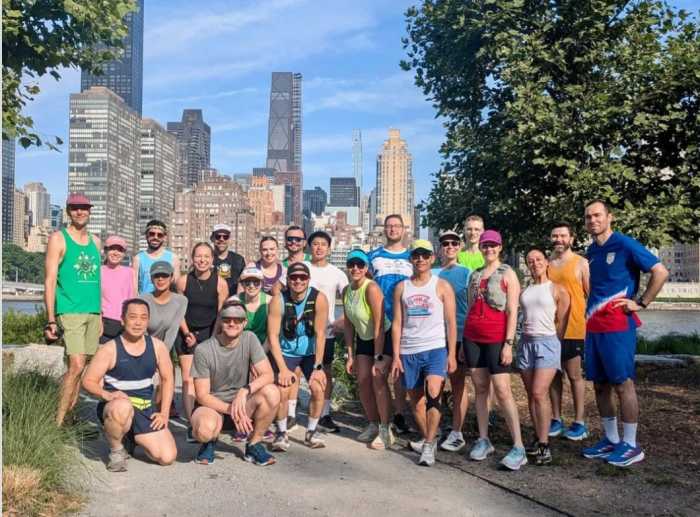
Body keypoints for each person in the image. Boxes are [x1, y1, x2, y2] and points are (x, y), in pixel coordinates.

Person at [581, 200, 668, 467]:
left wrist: (641, 302)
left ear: (610, 217)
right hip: (594, 325)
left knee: (622, 383)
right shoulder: (591, 250)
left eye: (597, 215)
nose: (593, 220)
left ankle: (631, 444)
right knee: (599, 385)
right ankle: (611, 439)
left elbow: (660, 272)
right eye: (588, 217)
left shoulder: (625, 244)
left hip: (618, 326)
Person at [82, 298, 177, 472]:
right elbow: (88, 381)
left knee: (167, 457)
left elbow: (168, 379)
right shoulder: (110, 349)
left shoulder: (157, 347)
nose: (138, 322)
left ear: (148, 321)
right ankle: (116, 450)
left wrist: (164, 413)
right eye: (132, 317)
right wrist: (107, 395)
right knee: (122, 408)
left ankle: (131, 438)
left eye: (143, 317)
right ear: (122, 320)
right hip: (116, 406)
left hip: (145, 409)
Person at [464, 230, 527, 470]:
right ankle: (483, 439)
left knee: (502, 390)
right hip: (473, 337)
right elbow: (471, 306)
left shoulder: (508, 273)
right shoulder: (475, 274)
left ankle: (518, 445)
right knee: (480, 388)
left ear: (500, 247)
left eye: (493, 245)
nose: (489, 249)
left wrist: (508, 344)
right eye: (485, 245)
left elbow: (512, 310)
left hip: (496, 337)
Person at [391, 240, 457, 467]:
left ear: (432, 258)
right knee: (417, 402)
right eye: (416, 255)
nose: (420, 259)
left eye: (425, 255)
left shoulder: (442, 286)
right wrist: (396, 355)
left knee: (434, 392)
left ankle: (428, 445)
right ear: (411, 258)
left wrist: (451, 353)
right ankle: (431, 437)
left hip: (435, 347)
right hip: (409, 349)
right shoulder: (402, 288)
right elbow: (397, 323)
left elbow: (451, 322)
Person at [190, 299, 280, 466]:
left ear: (244, 323)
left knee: (272, 392)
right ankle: (209, 441)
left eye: (237, 320)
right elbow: (202, 395)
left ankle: (254, 444)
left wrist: (244, 390)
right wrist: (232, 410)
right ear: (220, 321)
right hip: (213, 406)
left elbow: (268, 375)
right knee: (204, 431)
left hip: (242, 404)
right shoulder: (204, 349)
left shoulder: (250, 339)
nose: (232, 323)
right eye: (227, 319)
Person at [44, 193, 102, 426]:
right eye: (75, 208)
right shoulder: (59, 238)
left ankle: (69, 417)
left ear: (90, 211)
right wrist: (50, 319)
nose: (80, 212)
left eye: (84, 208)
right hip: (70, 311)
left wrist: (100, 314)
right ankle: (56, 424)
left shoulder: (96, 241)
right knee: (76, 364)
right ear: (68, 212)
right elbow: (50, 280)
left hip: (93, 312)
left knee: (82, 367)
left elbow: (97, 282)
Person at [267, 262, 329, 451]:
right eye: (294, 277)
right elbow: (272, 336)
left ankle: (311, 431)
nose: (298, 281)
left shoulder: (319, 299)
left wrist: (318, 367)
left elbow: (320, 334)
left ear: (308, 280)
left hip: (309, 352)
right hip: (286, 351)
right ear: (287, 280)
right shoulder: (278, 300)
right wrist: (282, 369)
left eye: (303, 277)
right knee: (282, 390)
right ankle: (281, 432)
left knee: (318, 387)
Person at [518, 248, 570, 466]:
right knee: (532, 395)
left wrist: (554, 343)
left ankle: (544, 444)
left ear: (546, 262)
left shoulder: (558, 289)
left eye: (538, 259)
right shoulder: (525, 291)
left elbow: (562, 322)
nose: (535, 263)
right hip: (526, 343)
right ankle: (537, 435)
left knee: (540, 393)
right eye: (530, 260)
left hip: (547, 343)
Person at [175, 243, 229, 437]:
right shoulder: (182, 282)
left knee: (207, 379)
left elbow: (221, 314)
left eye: (206, 256)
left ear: (212, 260)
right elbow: (179, 311)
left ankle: (209, 416)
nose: (202, 260)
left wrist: (213, 338)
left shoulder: (220, 283)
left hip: (210, 332)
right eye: (198, 256)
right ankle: (191, 421)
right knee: (188, 379)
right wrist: (187, 333)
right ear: (192, 258)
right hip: (186, 332)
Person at [343, 250, 394, 449]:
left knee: (377, 378)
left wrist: (378, 357)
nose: (355, 268)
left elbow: (379, 325)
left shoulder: (371, 288)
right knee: (363, 381)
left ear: (366, 268)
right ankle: (373, 423)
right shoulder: (346, 291)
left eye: (360, 265)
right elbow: (348, 325)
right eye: (352, 265)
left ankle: (386, 429)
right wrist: (350, 355)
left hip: (383, 337)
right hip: (364, 339)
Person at [367, 214, 413, 434]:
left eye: (397, 226)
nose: (393, 229)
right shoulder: (373, 256)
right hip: (380, 322)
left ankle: (400, 415)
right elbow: (364, 285)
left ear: (404, 229)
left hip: (406, 321)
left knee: (400, 372)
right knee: (380, 372)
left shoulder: (413, 257)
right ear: (384, 230)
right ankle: (379, 418)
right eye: (389, 226)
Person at [547, 222, 590, 440]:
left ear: (571, 238)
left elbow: (590, 295)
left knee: (574, 375)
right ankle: (556, 418)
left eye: (563, 236)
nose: (559, 239)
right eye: (555, 236)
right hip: (550, 329)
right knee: (553, 375)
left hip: (574, 328)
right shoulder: (547, 263)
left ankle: (580, 421)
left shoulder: (581, 263)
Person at [433, 230, 472, 452]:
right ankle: (433, 430)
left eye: (454, 243)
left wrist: (466, 340)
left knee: (458, 384)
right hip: (435, 336)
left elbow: (472, 307)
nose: (449, 246)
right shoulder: (432, 273)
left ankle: (457, 432)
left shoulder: (467, 273)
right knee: (434, 384)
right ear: (439, 248)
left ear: (459, 247)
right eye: (445, 243)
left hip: (458, 334)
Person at [306, 230, 349, 433]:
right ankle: (289, 415)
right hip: (301, 332)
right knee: (296, 372)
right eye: (315, 244)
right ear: (310, 247)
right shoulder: (303, 268)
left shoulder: (337, 273)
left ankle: (324, 414)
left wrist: (342, 320)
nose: (319, 247)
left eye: (323, 244)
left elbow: (350, 300)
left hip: (327, 332)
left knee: (326, 372)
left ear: (329, 249)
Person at [100, 235, 134, 344]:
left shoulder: (130, 272)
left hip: (123, 323)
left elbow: (131, 298)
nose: (115, 253)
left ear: (124, 253)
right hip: (103, 322)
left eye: (119, 250)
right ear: (105, 251)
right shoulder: (98, 271)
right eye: (112, 249)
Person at [133, 220, 180, 295]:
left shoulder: (173, 258)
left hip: (166, 301)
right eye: (152, 234)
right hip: (144, 300)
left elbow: (177, 286)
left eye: (159, 235)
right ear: (146, 235)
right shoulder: (138, 258)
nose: (155, 237)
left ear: (164, 237)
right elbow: (134, 287)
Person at [239, 266, 271, 348]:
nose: (251, 286)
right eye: (247, 282)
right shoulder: (235, 301)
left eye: (256, 282)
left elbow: (272, 335)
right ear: (242, 284)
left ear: (262, 283)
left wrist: (260, 353)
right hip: (240, 347)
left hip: (264, 346)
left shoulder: (270, 302)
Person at [211, 223, 246, 295]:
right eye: (218, 236)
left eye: (225, 237)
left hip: (233, 299)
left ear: (230, 239)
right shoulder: (207, 259)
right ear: (212, 238)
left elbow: (244, 283)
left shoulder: (239, 260)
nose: (221, 239)